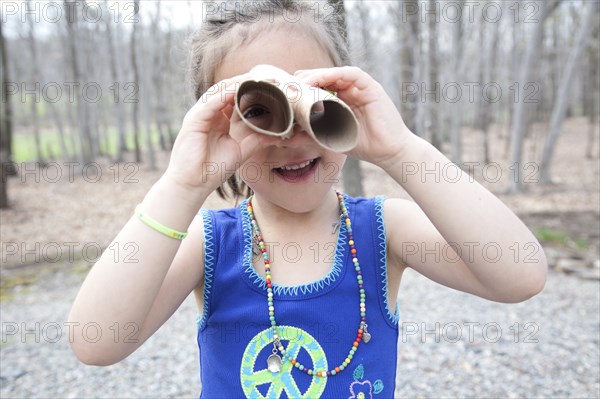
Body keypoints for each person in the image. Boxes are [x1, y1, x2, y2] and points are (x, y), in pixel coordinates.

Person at [68, 1, 547, 397]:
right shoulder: (209, 243)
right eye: (259, 110)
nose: (293, 138)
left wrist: (402, 150)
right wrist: (181, 184)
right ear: (217, 121)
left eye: (314, 101)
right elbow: (96, 342)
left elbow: (520, 274)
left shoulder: (384, 231)